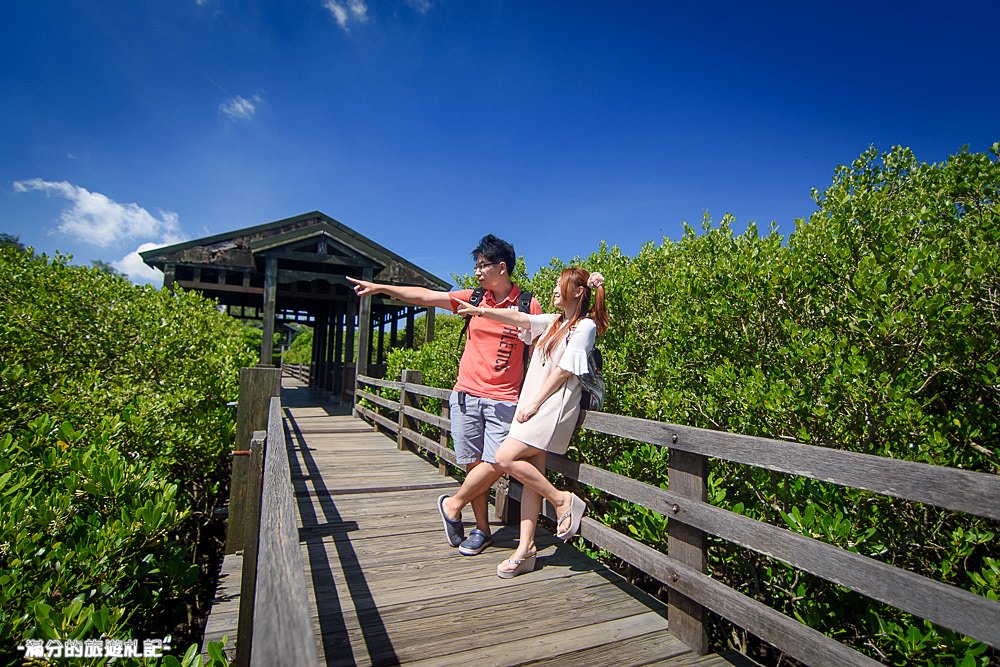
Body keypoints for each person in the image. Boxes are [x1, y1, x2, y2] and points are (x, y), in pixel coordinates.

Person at [348, 235, 542, 556]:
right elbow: (426, 296)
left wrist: (533, 398)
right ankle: (482, 530)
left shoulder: (527, 305)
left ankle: (453, 504)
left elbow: (536, 356)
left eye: (483, 265)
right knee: (473, 463)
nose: (477, 272)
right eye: (476, 265)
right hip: (465, 395)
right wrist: (382, 288)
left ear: (502, 267)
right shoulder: (473, 298)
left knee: (499, 461)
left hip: (506, 399)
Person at [445, 267, 608, 577]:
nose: (555, 291)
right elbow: (520, 320)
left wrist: (533, 403)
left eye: (561, 286)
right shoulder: (554, 322)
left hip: (550, 407)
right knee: (532, 474)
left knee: (504, 457)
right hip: (532, 405)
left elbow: (565, 371)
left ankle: (563, 501)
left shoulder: (584, 326)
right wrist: (481, 310)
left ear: (578, 291)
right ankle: (526, 550)